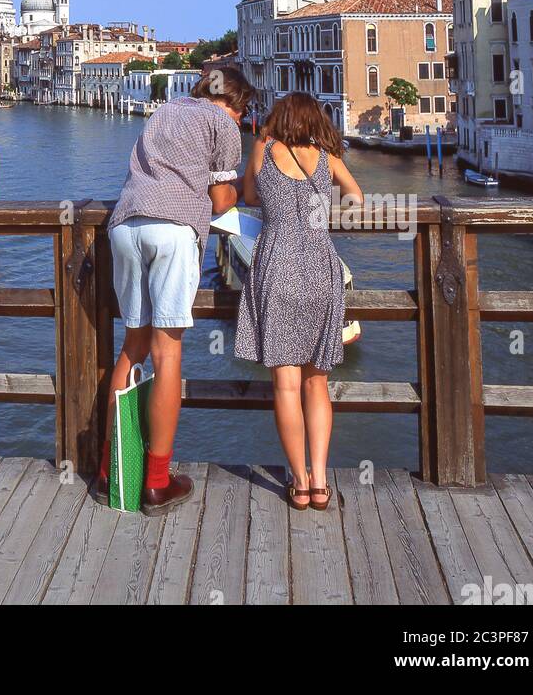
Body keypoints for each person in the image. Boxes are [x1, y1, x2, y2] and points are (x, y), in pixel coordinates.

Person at [97, 66, 253, 515]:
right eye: (242, 112)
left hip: (126, 225)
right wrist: (243, 188)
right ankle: (156, 483)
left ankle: (113, 468)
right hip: (173, 229)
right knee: (167, 355)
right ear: (234, 102)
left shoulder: (165, 111)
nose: (241, 122)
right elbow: (221, 200)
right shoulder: (221, 123)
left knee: (132, 349)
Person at [234, 92, 363, 511]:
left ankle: (300, 481)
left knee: (285, 384)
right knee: (317, 382)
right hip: (320, 265)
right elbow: (357, 198)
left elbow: (250, 197)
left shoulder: (264, 148)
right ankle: (322, 482)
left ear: (279, 117)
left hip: (277, 263)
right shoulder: (326, 156)